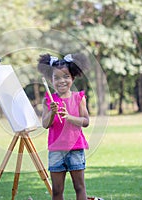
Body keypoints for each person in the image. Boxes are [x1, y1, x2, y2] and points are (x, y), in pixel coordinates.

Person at [37, 53, 90, 200]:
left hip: (76, 149)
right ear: (51, 80)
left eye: (66, 76)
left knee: (79, 187)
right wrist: (53, 113)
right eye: (57, 77)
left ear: (72, 78)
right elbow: (45, 124)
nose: (62, 80)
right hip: (56, 151)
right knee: (57, 191)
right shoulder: (48, 100)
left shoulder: (79, 98)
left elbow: (86, 121)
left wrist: (69, 117)